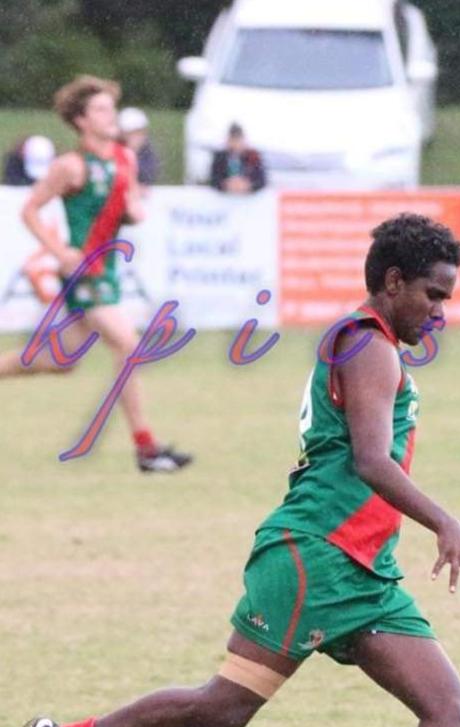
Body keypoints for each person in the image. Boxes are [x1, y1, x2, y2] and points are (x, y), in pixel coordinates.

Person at [0, 214, 460, 727]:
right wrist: (447, 522)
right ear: (394, 282)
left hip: (361, 570)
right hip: (317, 556)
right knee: (224, 707)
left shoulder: (360, 340)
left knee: (445, 707)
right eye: (433, 295)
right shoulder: (369, 347)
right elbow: (371, 459)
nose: (441, 312)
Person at [0, 76, 191, 473]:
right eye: (102, 109)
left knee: (60, 358)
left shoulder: (125, 159)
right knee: (127, 342)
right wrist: (59, 251)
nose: (111, 116)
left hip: (107, 272)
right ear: (82, 120)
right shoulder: (70, 166)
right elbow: (29, 211)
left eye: (111, 108)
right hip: (83, 273)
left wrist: (135, 207)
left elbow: (133, 208)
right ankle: (147, 448)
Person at [210, 123, 266, 194]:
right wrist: (225, 184)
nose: (236, 144)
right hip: (224, 199)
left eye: (238, 140)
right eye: (233, 139)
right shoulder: (219, 156)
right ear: (228, 140)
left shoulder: (253, 156)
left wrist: (249, 185)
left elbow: (262, 181)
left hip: (248, 201)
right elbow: (213, 180)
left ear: (243, 140)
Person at [117, 107, 159, 186]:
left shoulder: (147, 150)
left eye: (139, 132)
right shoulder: (113, 150)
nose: (136, 137)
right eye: (132, 133)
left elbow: (150, 173)